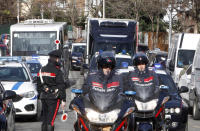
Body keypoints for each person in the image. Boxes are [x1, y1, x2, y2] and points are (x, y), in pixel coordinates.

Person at [37, 50, 66, 131]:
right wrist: (63, 99)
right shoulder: (57, 71)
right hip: (54, 98)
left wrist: (42, 93)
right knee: (51, 121)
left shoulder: (41, 70)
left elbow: (38, 85)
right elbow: (61, 86)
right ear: (56, 59)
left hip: (43, 97)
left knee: (45, 120)